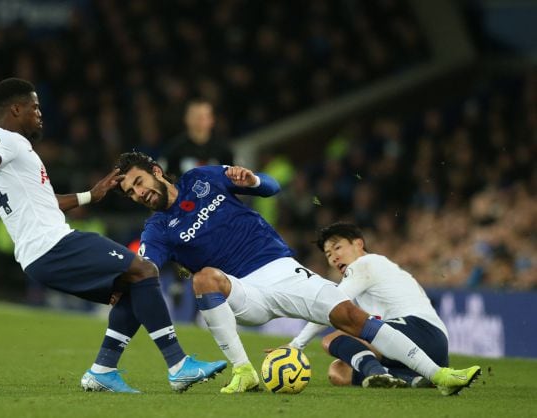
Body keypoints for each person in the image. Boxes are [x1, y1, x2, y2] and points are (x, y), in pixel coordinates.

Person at [113, 151, 481, 395]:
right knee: (203, 278)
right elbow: (145, 269)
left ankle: (439, 375)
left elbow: (271, 187)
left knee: (353, 317)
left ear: (156, 172)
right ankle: (244, 372)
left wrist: (253, 180)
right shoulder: (157, 230)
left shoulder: (202, 179)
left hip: (283, 269)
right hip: (243, 292)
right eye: (130, 192)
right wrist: (115, 279)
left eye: (139, 183)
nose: (138, 193)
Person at [0, 78, 226, 394]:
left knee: (135, 287)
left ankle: (103, 370)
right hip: (54, 246)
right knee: (145, 270)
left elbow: (47, 201)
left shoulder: (16, 149)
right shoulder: (5, 142)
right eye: (34, 107)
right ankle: (179, 365)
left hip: (40, 255)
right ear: (16, 109)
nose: (39, 113)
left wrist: (91, 194)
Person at [287, 222, 449, 389]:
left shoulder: (366, 263)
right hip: (432, 349)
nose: (333, 257)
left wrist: (296, 345)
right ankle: (410, 379)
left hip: (421, 330)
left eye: (337, 248)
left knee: (332, 339)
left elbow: (330, 306)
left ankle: (377, 372)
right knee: (339, 372)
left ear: (358, 244)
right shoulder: (367, 279)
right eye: (328, 254)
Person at [163, 99, 234, 176]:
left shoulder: (224, 150)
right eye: (195, 116)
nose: (199, 121)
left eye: (204, 116)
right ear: (186, 118)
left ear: (212, 120)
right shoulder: (173, 149)